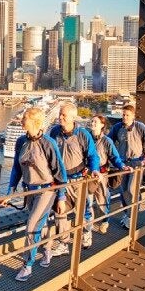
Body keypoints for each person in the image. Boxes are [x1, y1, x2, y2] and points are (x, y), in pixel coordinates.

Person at [2, 107, 68, 281]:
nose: (21, 120)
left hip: (46, 190)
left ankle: (27, 266)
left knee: (32, 225)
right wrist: (10, 192)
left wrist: (61, 197)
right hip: (29, 189)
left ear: (34, 122)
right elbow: (17, 168)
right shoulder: (20, 141)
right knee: (41, 224)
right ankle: (47, 250)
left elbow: (60, 172)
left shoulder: (48, 143)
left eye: (24, 118)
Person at [48, 103, 99, 249]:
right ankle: (63, 242)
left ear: (72, 117)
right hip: (62, 181)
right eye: (60, 114)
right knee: (59, 211)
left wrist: (94, 169)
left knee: (84, 210)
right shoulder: (54, 132)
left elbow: (93, 156)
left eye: (64, 115)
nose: (60, 117)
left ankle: (87, 233)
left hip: (79, 180)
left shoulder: (83, 134)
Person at [108, 103, 145, 230]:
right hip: (123, 164)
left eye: (127, 115)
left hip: (136, 163)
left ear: (133, 116)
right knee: (123, 191)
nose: (124, 117)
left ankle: (132, 216)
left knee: (132, 190)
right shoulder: (117, 127)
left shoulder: (140, 127)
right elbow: (108, 142)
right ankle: (127, 214)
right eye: (123, 115)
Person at [88, 115, 130, 235]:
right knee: (87, 200)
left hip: (102, 175)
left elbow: (114, 157)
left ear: (102, 125)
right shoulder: (86, 138)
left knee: (102, 199)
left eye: (95, 121)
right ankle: (88, 225)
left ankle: (104, 221)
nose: (93, 123)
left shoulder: (106, 141)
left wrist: (122, 166)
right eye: (92, 121)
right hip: (88, 174)